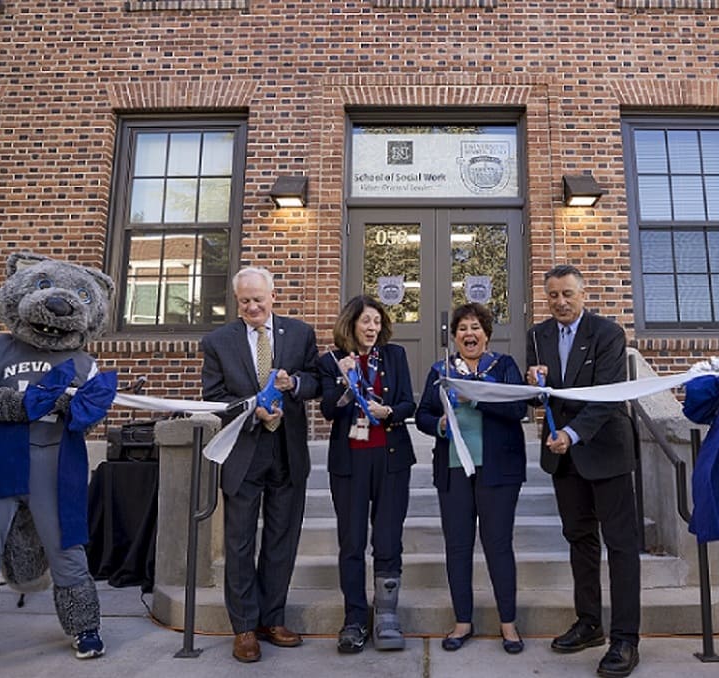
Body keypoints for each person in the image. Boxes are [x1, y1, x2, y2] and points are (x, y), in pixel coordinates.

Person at [525, 264, 640, 677]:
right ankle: (589, 622)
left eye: (567, 294)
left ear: (583, 293)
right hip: (563, 458)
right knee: (580, 540)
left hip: (604, 451)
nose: (560, 302)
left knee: (622, 546)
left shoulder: (608, 334)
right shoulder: (537, 337)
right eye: (553, 295)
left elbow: (608, 398)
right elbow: (542, 398)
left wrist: (573, 434)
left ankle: (626, 638)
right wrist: (534, 384)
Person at [200, 266, 320, 664]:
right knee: (239, 543)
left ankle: (273, 618)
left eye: (258, 299)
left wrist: (294, 385)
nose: (253, 306)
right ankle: (245, 628)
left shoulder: (300, 333)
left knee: (281, 541)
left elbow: (315, 381)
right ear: (237, 301)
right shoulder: (219, 341)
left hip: (287, 453)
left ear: (272, 296)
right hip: (245, 453)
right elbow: (215, 397)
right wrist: (254, 414)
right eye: (245, 300)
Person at [415, 302, 527, 655]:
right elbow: (423, 415)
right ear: (455, 337)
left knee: (497, 545)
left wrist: (475, 399)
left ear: (487, 334)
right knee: (458, 547)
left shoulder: (505, 366)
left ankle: (508, 623)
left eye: (475, 327)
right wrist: (439, 424)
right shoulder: (441, 370)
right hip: (453, 471)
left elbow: (517, 409)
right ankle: (463, 621)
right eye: (462, 328)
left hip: (498, 471)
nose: (469, 334)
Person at [318, 295, 416, 653]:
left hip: (390, 460)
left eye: (377, 321)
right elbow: (328, 410)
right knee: (352, 542)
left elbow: (409, 403)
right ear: (351, 325)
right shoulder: (330, 362)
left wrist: (388, 409)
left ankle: (387, 617)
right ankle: (355, 619)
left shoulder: (395, 356)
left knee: (388, 539)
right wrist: (345, 384)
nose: (372, 327)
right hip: (349, 463)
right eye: (366, 321)